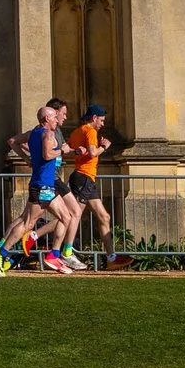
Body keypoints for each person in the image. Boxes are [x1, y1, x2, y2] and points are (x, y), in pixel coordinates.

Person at [0, 103, 71, 272]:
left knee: (66, 217)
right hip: (42, 185)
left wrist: (27, 159)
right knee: (27, 222)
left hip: (44, 185)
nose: (56, 120)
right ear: (47, 119)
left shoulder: (34, 133)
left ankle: (53, 255)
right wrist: (61, 150)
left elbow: (13, 142)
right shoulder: (47, 134)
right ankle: (1, 252)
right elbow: (47, 154)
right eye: (54, 117)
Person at [63, 104, 119, 268]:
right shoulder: (91, 131)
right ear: (94, 118)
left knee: (104, 217)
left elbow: (70, 149)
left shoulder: (76, 131)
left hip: (84, 178)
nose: (102, 124)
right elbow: (93, 153)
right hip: (84, 177)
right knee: (72, 215)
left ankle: (111, 258)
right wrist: (104, 146)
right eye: (101, 120)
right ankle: (41, 237)